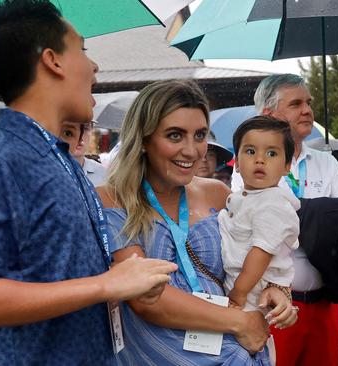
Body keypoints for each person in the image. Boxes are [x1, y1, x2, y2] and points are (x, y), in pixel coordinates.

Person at [0, 1, 178, 365]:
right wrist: (106, 285)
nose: (94, 66)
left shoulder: (59, 157)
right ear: (52, 60)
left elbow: (55, 273)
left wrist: (120, 283)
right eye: (83, 50)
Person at [98, 79, 297, 366]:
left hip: (234, 353)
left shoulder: (217, 193)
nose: (192, 151)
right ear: (143, 139)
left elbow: (262, 253)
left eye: (200, 135)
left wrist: (279, 292)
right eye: (175, 135)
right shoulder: (113, 198)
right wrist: (239, 321)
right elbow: (144, 298)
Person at [232, 73, 338, 366]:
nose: (307, 110)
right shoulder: (247, 165)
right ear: (268, 113)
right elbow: (250, 225)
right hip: (271, 309)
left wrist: (286, 215)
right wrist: (326, 215)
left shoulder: (326, 161)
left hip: (323, 304)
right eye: (296, 104)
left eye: (308, 102)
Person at [221, 116, 298, 314]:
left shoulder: (273, 205)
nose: (260, 159)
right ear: (236, 162)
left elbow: (261, 253)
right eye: (250, 151)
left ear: (287, 166)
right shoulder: (246, 197)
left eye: (272, 153)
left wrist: (239, 292)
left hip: (251, 292)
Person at [60, 120, 107, 186]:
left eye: (85, 128)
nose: (79, 137)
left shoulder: (103, 174)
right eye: (69, 131)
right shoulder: (47, 171)